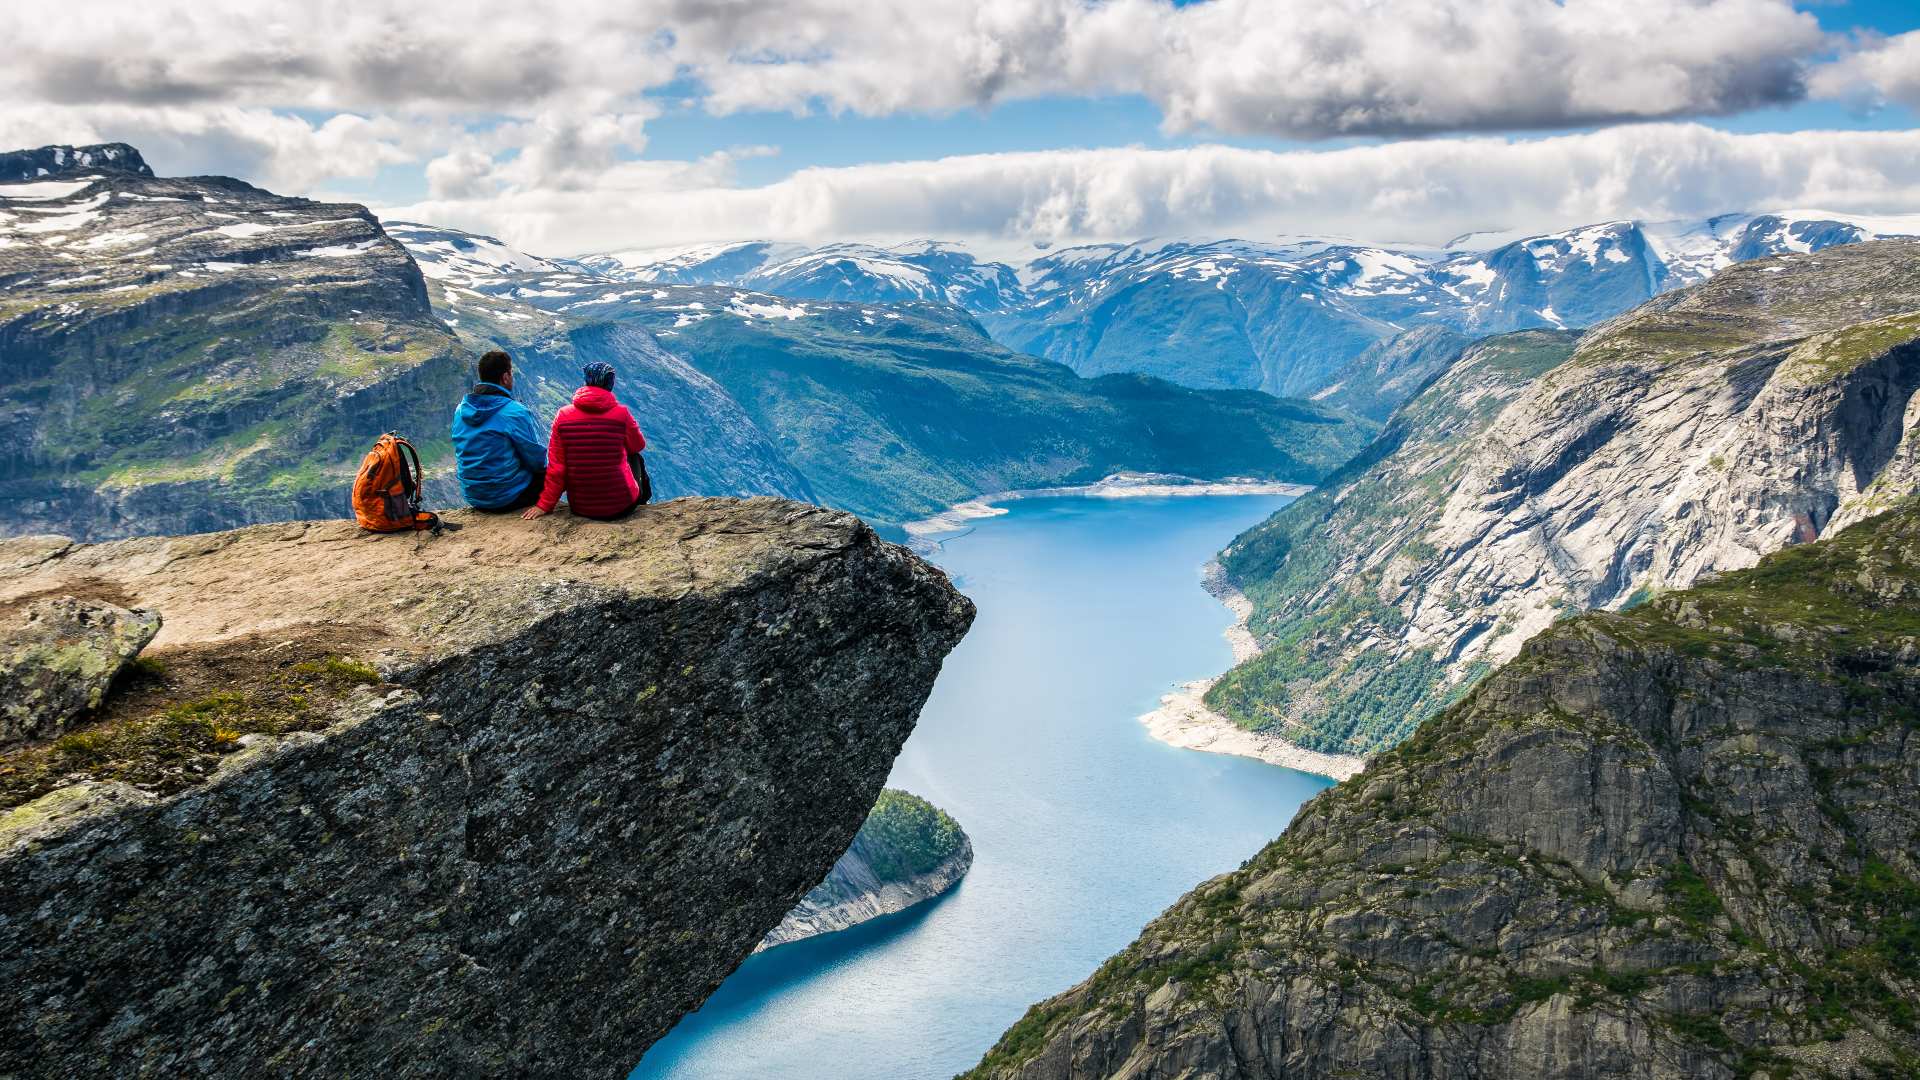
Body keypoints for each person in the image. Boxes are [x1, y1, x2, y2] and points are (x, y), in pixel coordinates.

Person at [523, 362, 648, 521]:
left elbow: (557, 468)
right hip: (622, 507)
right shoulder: (621, 414)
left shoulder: (563, 416)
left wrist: (544, 505)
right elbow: (638, 445)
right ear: (610, 383)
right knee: (635, 456)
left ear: (587, 381)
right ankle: (643, 503)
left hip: (581, 507)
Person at [451, 349, 548, 512]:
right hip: (507, 498)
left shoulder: (460, 410)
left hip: (473, 496)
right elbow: (536, 460)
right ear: (505, 377)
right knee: (554, 471)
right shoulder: (514, 412)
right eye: (511, 373)